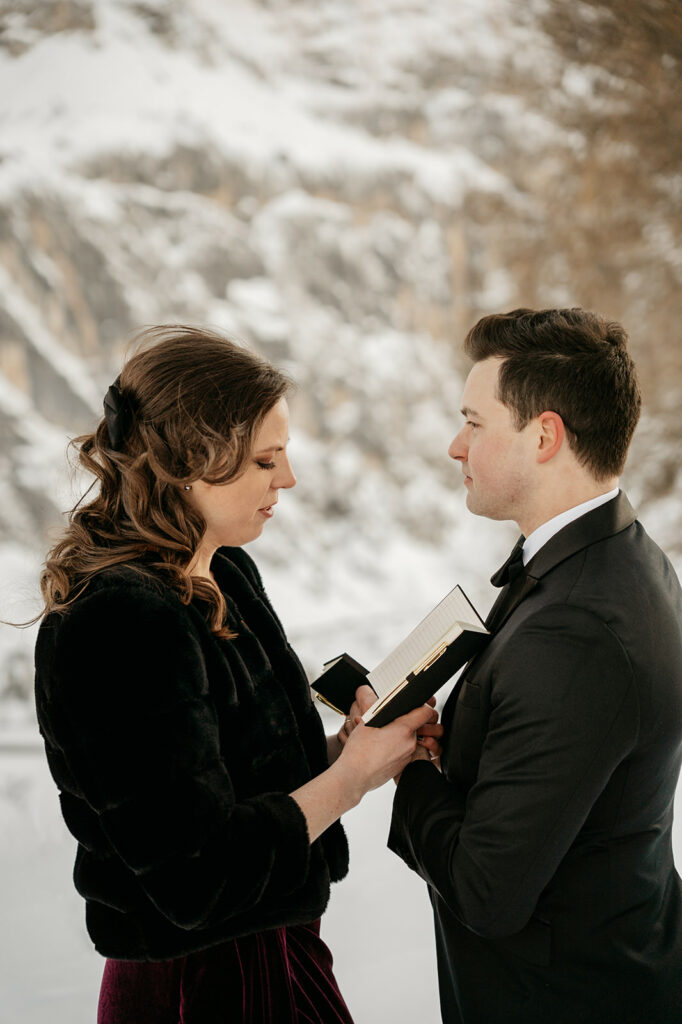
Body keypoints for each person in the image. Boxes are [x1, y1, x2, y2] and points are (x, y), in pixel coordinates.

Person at [33, 324, 441, 1024]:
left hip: (278, 948)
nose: (288, 479)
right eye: (264, 460)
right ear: (189, 462)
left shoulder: (226, 572)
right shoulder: (121, 620)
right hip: (195, 986)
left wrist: (352, 749)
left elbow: (235, 784)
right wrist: (351, 781)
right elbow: (195, 876)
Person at [387, 308, 682, 1023]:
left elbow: (487, 893)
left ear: (544, 435)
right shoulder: (624, 553)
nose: (456, 445)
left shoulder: (577, 628)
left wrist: (410, 768)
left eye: (474, 422)